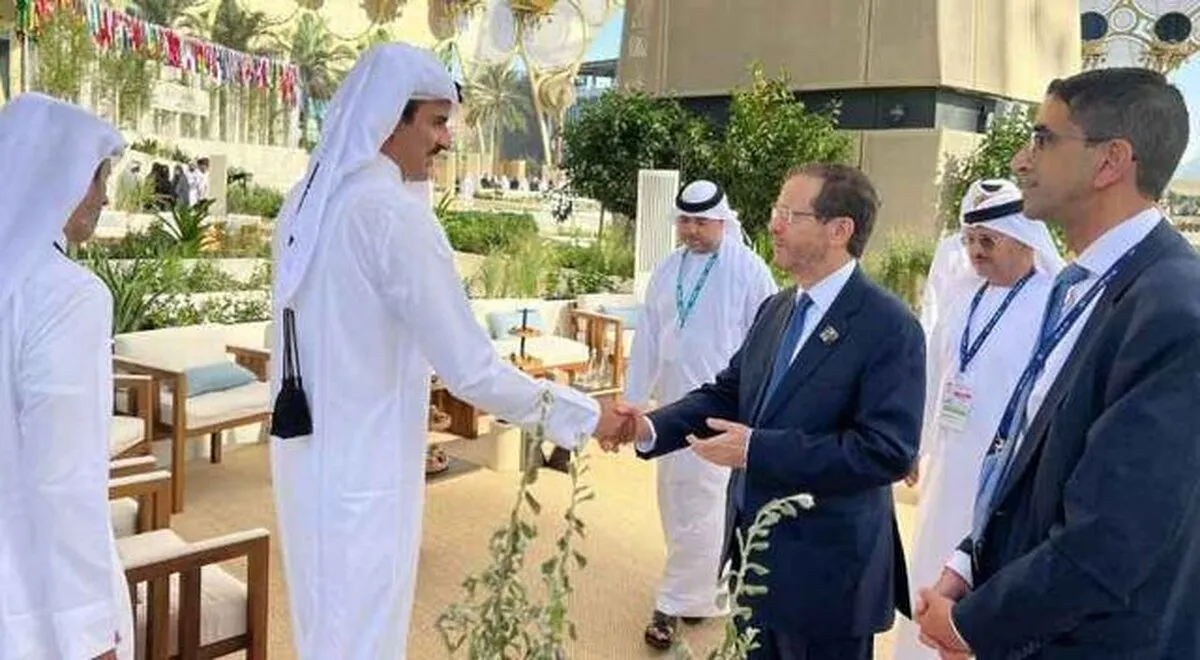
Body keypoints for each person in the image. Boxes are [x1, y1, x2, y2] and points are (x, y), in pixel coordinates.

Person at [268, 43, 630, 659]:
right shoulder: (391, 216)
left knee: (323, 624)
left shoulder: (305, 205)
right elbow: (472, 370)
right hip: (366, 466)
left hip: (306, 465)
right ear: (391, 119)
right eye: (437, 122)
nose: (446, 140)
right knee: (362, 634)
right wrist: (589, 415)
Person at [915, 67, 1200, 660]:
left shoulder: (1174, 308)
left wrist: (974, 625)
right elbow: (1033, 456)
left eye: (1043, 139)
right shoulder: (1083, 285)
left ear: (1110, 161)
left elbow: (1114, 535)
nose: (1021, 160)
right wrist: (970, 560)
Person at [606, 163, 925, 660]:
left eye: (789, 215)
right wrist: (647, 425)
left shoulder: (890, 326)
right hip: (755, 562)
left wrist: (758, 449)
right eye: (777, 211)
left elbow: (885, 452)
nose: (773, 225)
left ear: (839, 230)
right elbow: (728, 393)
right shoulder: (777, 309)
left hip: (827, 578)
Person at [891, 179, 1062, 660]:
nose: (975, 251)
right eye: (969, 240)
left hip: (1007, 479)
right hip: (947, 467)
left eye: (988, 240)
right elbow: (934, 374)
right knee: (930, 565)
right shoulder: (964, 298)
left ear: (1024, 239)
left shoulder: (1052, 303)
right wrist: (914, 444)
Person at [0, 93, 133, 660]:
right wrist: (91, 633)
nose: (103, 196)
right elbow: (63, 481)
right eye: (98, 176)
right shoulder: (67, 294)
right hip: (32, 610)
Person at [625, 179, 777, 649]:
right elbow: (648, 337)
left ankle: (670, 603)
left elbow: (768, 341)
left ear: (722, 220)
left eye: (701, 221)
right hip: (672, 407)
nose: (691, 230)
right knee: (674, 500)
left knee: (707, 505)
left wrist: (761, 410)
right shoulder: (667, 268)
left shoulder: (749, 269)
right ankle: (702, 594)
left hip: (722, 409)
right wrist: (633, 401)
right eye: (685, 221)